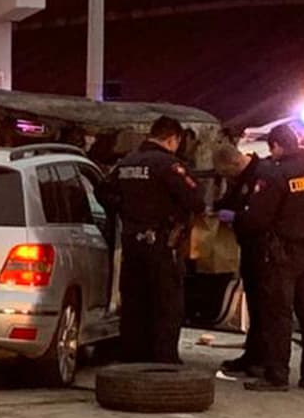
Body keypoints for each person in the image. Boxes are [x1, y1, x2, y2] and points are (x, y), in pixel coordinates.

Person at [238, 125, 304, 392]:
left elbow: (258, 217)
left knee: (279, 314)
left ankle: (277, 375)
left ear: (276, 146)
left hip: (284, 252)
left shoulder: (277, 174)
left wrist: (237, 219)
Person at [100, 116, 205, 364]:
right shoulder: (168, 165)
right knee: (167, 303)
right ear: (173, 139)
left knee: (135, 302)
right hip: (162, 244)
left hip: (132, 243)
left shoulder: (126, 162)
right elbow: (196, 201)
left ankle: (133, 357)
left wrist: (124, 209)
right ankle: (163, 360)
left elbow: (102, 191)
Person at [212, 143, 267, 376]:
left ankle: (262, 358)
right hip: (248, 247)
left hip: (263, 249)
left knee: (264, 307)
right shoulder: (243, 177)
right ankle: (252, 354)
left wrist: (237, 217)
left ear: (235, 163)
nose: (227, 178)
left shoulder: (261, 174)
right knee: (254, 304)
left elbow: (260, 215)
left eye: (226, 173)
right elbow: (230, 201)